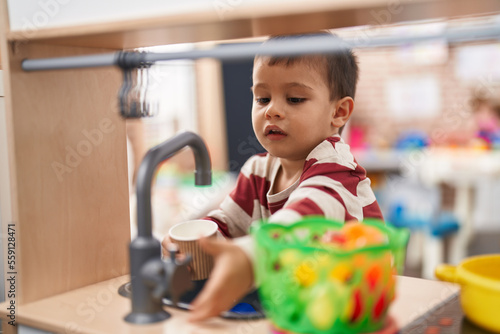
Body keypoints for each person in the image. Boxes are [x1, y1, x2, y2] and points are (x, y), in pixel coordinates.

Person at [161, 32, 384, 321]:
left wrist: (250, 258)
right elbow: (228, 222)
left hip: (356, 307)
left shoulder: (337, 171)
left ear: (339, 112)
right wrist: (197, 240)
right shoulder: (257, 170)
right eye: (262, 98)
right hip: (302, 304)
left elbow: (303, 220)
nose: (273, 111)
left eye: (294, 98)